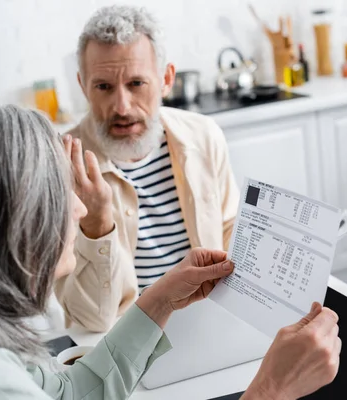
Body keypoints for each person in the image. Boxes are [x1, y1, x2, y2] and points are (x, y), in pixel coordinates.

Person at [0, 103, 341, 399]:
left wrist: (158, 301)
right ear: (7, 226)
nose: (77, 207)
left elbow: (67, 394)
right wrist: (272, 390)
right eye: (58, 193)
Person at [56, 5, 241, 332]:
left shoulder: (204, 136)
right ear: (83, 85)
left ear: (166, 79)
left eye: (136, 83)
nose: (122, 107)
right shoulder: (59, 163)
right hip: (121, 337)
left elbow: (231, 238)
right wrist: (97, 223)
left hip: (207, 323)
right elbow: (92, 320)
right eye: (103, 87)